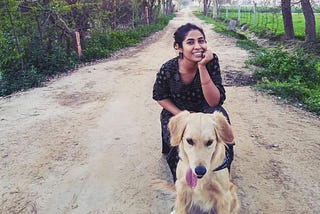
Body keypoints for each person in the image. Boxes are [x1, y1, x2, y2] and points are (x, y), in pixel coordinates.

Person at [152, 23, 234, 182]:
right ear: (179, 47)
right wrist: (184, 115)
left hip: (207, 109)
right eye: (190, 42)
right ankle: (185, 183)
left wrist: (202, 67)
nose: (198, 46)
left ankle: (220, 175)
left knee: (223, 132)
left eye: (201, 41)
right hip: (177, 111)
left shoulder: (211, 61)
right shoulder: (168, 69)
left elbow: (214, 100)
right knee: (176, 144)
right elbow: (159, 96)